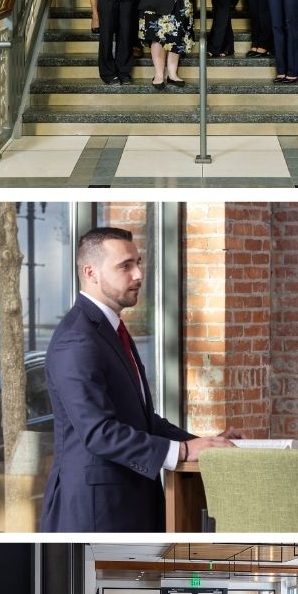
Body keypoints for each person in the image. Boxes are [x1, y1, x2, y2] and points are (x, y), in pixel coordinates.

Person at [40, 227, 232, 530]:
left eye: (137, 263)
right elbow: (99, 432)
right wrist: (182, 452)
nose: (138, 274)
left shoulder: (111, 331)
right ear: (91, 272)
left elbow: (144, 422)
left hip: (129, 502)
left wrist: (203, 443)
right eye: (125, 266)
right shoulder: (77, 339)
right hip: (97, 513)